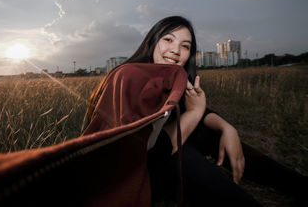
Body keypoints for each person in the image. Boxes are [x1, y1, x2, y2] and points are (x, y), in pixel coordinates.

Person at [84, 16, 307, 206]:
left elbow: (196, 109)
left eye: (185, 46)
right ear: (152, 43)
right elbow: (147, 152)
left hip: (152, 156)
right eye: (168, 39)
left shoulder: (169, 78)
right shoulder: (129, 75)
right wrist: (194, 114)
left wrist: (227, 128)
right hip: (125, 175)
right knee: (182, 154)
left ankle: (298, 185)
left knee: (207, 132)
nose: (175, 50)